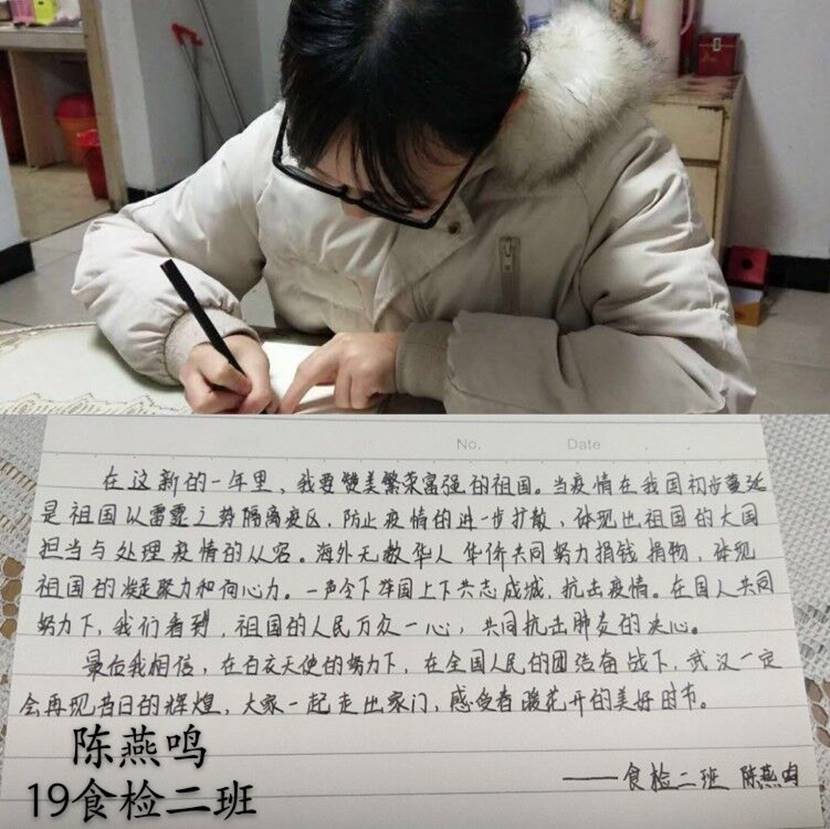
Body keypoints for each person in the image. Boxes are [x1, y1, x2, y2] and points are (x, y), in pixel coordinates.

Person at [73, 0, 755, 415]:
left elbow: (701, 387)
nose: (352, 215)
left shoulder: (614, 172)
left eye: (393, 194)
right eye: (325, 178)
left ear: (504, 116)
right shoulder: (281, 146)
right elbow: (120, 245)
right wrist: (192, 336)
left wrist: (423, 358)